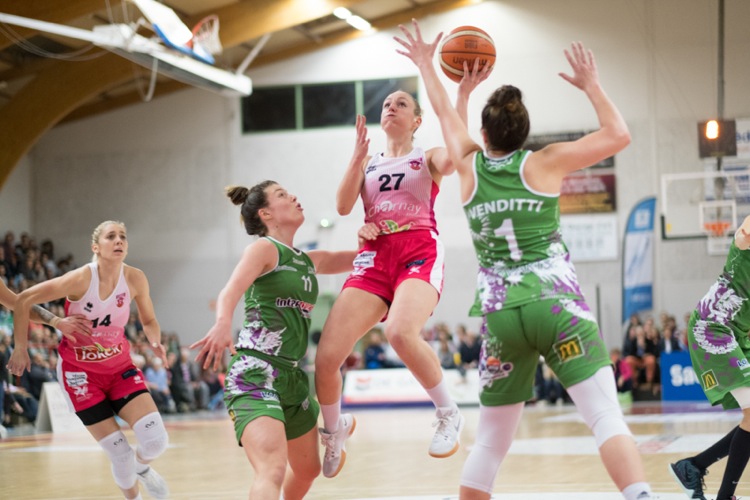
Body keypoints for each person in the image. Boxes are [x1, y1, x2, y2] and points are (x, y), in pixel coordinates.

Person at [396, 19, 654, 500]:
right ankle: (640, 495)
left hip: (502, 317)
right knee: (603, 417)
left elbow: (446, 119)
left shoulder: (469, 168)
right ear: (524, 132)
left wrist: (430, 66)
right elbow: (618, 134)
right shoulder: (545, 161)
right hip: (556, 305)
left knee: (491, 442)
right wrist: (592, 86)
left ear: (483, 132)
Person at [313, 54, 487, 480]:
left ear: (418, 120)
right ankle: (336, 430)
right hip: (374, 259)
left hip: (417, 250)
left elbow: (458, 150)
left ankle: (449, 413)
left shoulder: (427, 158)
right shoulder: (369, 162)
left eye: (402, 104)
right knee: (326, 359)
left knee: (398, 332)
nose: (391, 107)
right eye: (387, 103)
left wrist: (461, 95)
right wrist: (356, 157)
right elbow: (341, 205)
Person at [190, 182, 358, 500]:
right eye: (282, 195)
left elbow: (360, 258)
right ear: (266, 213)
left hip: (293, 376)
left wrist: (376, 238)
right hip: (256, 371)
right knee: (272, 470)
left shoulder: (309, 259)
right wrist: (223, 322)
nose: (294, 196)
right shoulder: (264, 249)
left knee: (308, 470)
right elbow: (230, 290)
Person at [7, 221, 170, 500]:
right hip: (80, 374)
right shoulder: (81, 278)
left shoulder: (135, 278)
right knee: (119, 453)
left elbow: (150, 319)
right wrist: (21, 346)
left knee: (156, 442)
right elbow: (22, 300)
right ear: (96, 247)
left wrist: (154, 341)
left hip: (119, 368)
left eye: (123, 237)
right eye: (111, 237)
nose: (119, 240)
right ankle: (134, 498)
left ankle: (142, 469)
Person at [669, 215, 750, 500]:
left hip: (738, 333)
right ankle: (723, 495)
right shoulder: (746, 238)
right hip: (712, 326)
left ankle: (694, 466)